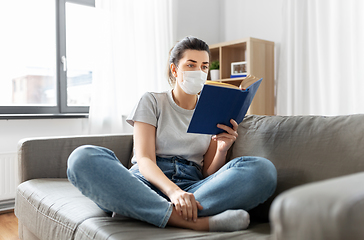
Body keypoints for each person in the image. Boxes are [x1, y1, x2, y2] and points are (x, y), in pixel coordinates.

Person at [67, 36, 277, 232]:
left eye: (204, 66)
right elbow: (145, 159)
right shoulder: (152, 101)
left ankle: (136, 208)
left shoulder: (214, 109)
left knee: (263, 170)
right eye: (191, 65)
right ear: (175, 70)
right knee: (82, 157)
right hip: (145, 181)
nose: (199, 71)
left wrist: (222, 149)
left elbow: (207, 174)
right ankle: (189, 221)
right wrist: (173, 193)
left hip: (192, 186)